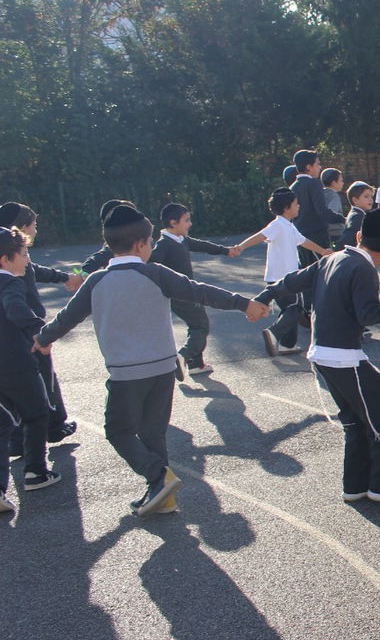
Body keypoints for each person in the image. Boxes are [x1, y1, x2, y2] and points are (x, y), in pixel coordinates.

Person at [38, 206, 268, 517]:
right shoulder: (156, 274)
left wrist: (43, 339)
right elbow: (200, 292)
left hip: (125, 373)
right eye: (150, 242)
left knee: (118, 431)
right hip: (162, 369)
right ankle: (163, 496)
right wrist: (244, 304)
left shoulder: (96, 281)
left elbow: (67, 318)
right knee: (152, 432)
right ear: (141, 244)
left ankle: (158, 477)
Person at [256, 209, 380, 503]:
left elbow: (292, 280)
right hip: (344, 356)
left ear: (358, 236)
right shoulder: (364, 269)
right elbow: (367, 314)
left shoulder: (332, 258)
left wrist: (264, 296)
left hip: (322, 354)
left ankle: (355, 485)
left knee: (355, 421)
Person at [0, 202, 81, 449]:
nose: (36, 228)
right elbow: (15, 304)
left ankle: (27, 434)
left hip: (14, 333)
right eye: (34, 224)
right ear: (21, 227)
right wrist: (38, 330)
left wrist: (64, 277)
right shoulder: (13, 263)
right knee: (40, 379)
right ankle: (47, 428)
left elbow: (36, 270)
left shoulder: (14, 255)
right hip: (24, 330)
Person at [0, 226, 61, 503]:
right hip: (15, 363)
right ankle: (36, 472)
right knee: (37, 413)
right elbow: (15, 309)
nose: (27, 260)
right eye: (24, 254)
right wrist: (40, 333)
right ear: (5, 259)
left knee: (4, 423)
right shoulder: (11, 283)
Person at [149, 202, 242, 376]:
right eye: (186, 220)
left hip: (187, 291)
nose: (190, 224)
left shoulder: (181, 239)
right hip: (180, 294)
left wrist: (226, 250)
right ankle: (184, 355)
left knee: (196, 325)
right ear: (173, 223)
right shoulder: (164, 244)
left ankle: (195, 365)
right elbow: (151, 263)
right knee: (201, 326)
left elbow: (202, 246)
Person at [235, 188, 331, 356]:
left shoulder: (288, 226)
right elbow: (260, 236)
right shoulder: (278, 225)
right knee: (295, 307)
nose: (298, 206)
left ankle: (287, 345)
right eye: (296, 204)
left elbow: (304, 241)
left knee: (290, 309)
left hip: (280, 276)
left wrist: (323, 251)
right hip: (285, 277)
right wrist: (241, 246)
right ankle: (274, 332)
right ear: (286, 208)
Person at [289, 149, 340, 253]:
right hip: (317, 236)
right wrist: (342, 219)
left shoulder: (292, 187)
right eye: (317, 164)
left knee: (306, 263)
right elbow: (322, 211)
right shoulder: (314, 183)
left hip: (300, 238)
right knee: (322, 263)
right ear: (309, 167)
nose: (320, 167)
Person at [340, 181, 375, 249]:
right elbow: (346, 239)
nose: (370, 199)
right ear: (355, 200)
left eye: (371, 196)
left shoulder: (356, 214)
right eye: (366, 196)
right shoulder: (358, 216)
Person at [321, 168, 347, 246]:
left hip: (325, 233)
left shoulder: (321, 194)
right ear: (333, 183)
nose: (343, 183)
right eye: (341, 181)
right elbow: (332, 214)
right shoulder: (333, 195)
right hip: (336, 232)